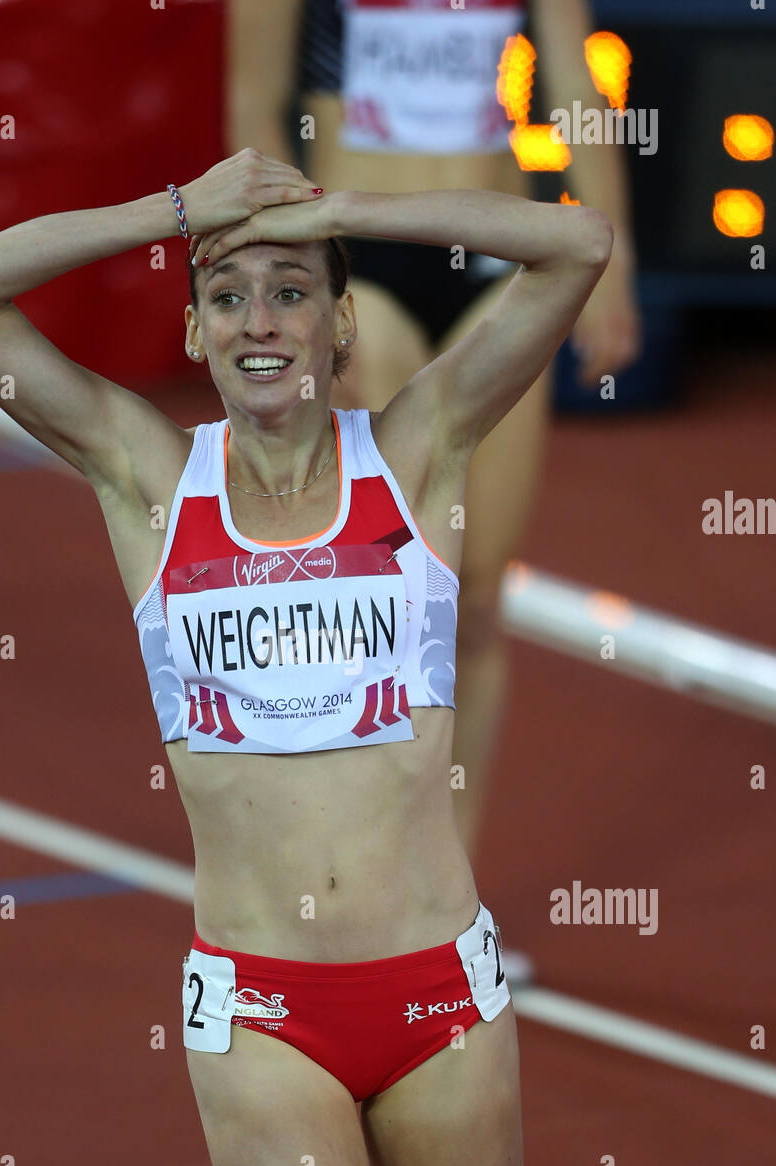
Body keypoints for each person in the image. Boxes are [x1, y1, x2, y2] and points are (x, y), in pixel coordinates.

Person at [0, 147, 612, 1166]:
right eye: (225, 297)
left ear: (339, 325)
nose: (257, 320)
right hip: (262, 1013)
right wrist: (181, 210)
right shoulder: (144, 477)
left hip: (441, 1001)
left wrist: (333, 207)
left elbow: (575, 245)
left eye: (290, 291)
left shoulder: (419, 449)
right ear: (194, 336)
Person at [228, 0, 642, 923]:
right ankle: (346, 870)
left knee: (478, 601)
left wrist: (618, 261)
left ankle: (446, 902)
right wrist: (282, 283)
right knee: (383, 596)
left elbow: (575, 84)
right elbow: (252, 103)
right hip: (357, 264)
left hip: (493, 257)